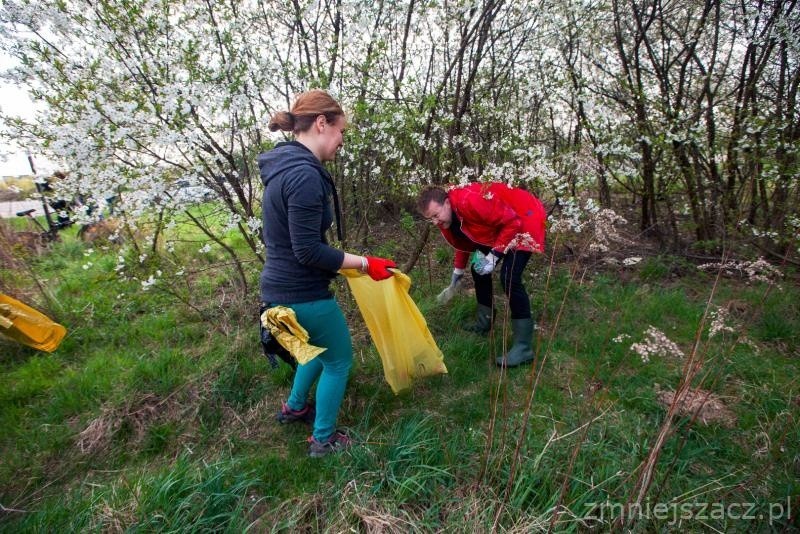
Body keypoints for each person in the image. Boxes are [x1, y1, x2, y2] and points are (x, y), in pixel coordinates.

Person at [258, 89, 396, 457]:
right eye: (340, 132)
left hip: (277, 290)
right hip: (303, 295)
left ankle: (295, 406)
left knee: (315, 352)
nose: (340, 142)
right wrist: (366, 263)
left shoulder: (282, 168)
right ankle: (323, 439)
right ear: (321, 124)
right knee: (338, 360)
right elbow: (308, 250)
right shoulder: (303, 175)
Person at [417, 182, 546, 368]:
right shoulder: (446, 217)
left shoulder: (469, 202)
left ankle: (524, 348)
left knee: (510, 278)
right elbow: (465, 240)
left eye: (436, 215)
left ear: (447, 203)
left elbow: (512, 222)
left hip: (524, 217)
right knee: (478, 270)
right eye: (431, 219)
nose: (435, 222)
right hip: (500, 225)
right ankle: (484, 321)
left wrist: (494, 257)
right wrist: (456, 278)